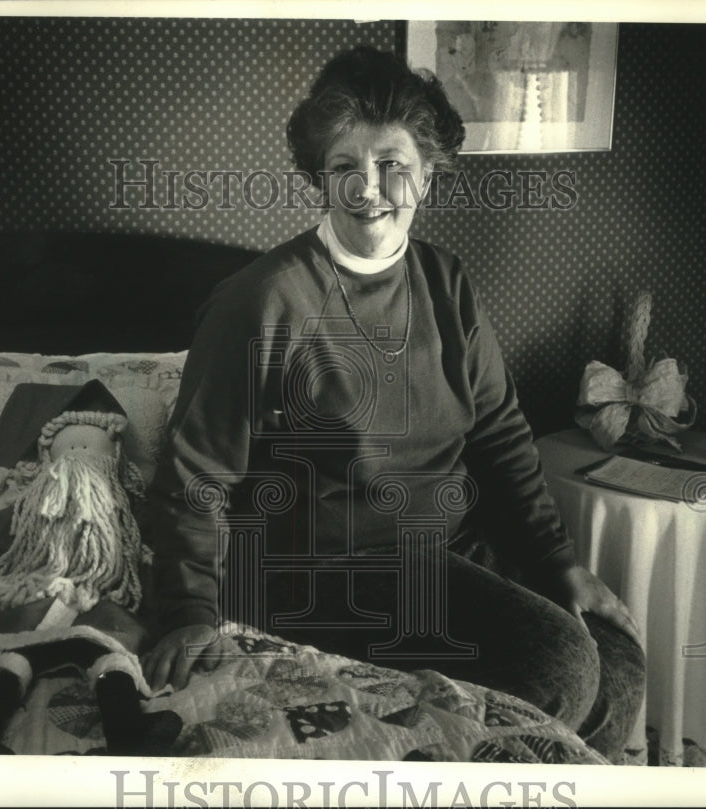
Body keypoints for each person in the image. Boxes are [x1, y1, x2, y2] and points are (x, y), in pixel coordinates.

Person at [140, 45, 645, 762]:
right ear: (320, 176)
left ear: (429, 173)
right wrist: (189, 612)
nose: (367, 190)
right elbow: (195, 477)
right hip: (324, 570)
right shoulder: (262, 300)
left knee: (617, 658)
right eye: (344, 167)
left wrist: (555, 561)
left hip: (443, 551)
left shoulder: (446, 281)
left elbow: (500, 435)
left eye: (392, 165)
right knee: (563, 664)